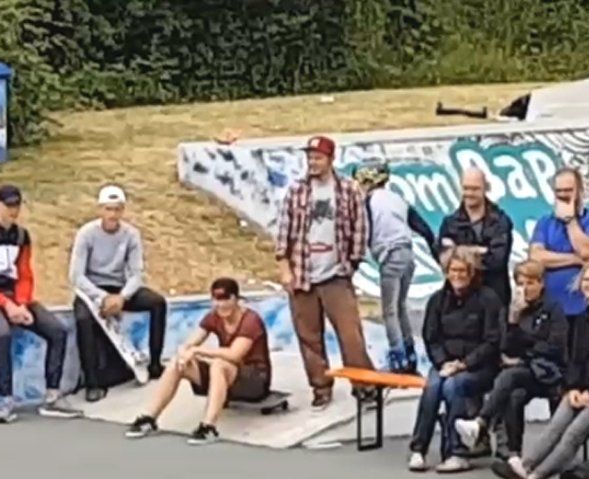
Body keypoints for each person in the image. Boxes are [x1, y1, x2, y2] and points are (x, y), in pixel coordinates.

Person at [491, 262, 589, 479]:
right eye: (586, 280)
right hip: (583, 389)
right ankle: (524, 467)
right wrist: (574, 388)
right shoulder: (581, 319)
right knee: (555, 427)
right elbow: (574, 360)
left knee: (574, 432)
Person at [274, 136, 373, 410]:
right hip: (303, 273)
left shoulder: (348, 189)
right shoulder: (297, 191)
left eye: (318, 158)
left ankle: (363, 385)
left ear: (330, 159)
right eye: (310, 158)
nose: (313, 163)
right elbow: (283, 231)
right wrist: (285, 269)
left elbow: (359, 228)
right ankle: (321, 387)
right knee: (309, 335)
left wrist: (352, 263)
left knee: (350, 334)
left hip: (336, 274)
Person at [0, 184, 75, 421]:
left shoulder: (22, 236)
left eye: (17, 205)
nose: (13, 211)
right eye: (8, 205)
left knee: (57, 330)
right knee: (2, 334)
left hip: (14, 295)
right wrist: (6, 304)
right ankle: (5, 399)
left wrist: (21, 303)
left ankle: (53, 395)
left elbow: (25, 274)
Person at [126, 278, 273, 445]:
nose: (220, 305)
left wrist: (197, 351)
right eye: (216, 300)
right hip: (227, 375)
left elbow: (234, 355)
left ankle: (208, 427)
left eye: (225, 299)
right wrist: (184, 353)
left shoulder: (250, 321)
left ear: (236, 299)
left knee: (219, 364)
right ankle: (149, 417)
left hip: (253, 379)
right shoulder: (213, 317)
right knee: (177, 363)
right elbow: (190, 342)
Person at [454, 260, 568, 459]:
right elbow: (505, 346)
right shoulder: (510, 311)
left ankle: (481, 422)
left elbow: (554, 346)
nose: (525, 289)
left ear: (541, 284)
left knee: (510, 374)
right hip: (522, 372)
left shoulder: (553, 309)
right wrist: (514, 322)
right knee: (513, 394)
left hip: (548, 370)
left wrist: (524, 355)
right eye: (521, 284)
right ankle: (512, 453)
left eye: (530, 283)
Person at [407, 248, 502, 473]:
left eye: (462, 271)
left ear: (471, 272)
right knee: (432, 387)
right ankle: (418, 449)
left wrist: (464, 364)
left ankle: (456, 451)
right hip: (446, 363)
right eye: (452, 270)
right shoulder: (437, 300)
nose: (457, 275)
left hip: (479, 366)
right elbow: (431, 338)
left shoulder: (488, 299)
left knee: (453, 386)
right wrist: (443, 363)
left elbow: (493, 341)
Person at [70, 184, 167, 398]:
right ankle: (93, 383)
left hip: (119, 289)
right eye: (108, 209)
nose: (112, 215)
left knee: (157, 303)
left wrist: (122, 297)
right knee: (83, 319)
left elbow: (136, 273)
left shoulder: (131, 234)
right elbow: (76, 276)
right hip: (91, 291)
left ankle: (155, 364)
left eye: (117, 209)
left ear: (123, 210)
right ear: (100, 210)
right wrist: (102, 297)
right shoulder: (86, 234)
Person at [357, 160, 435, 373]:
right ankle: (410, 354)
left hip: (390, 255)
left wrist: (355, 257)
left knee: (389, 310)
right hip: (408, 255)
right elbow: (424, 229)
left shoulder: (369, 201)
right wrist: (436, 252)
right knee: (401, 306)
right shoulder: (398, 199)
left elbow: (364, 230)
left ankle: (398, 357)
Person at [529, 168, 589, 331]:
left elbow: (586, 251)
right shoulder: (545, 222)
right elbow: (536, 257)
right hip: (552, 308)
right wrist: (575, 259)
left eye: (568, 191)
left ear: (579, 191)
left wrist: (570, 221)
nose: (564, 196)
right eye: (559, 191)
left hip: (585, 307)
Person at [439, 166, 516, 306]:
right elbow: (444, 261)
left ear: (485, 189)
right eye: (466, 188)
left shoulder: (500, 221)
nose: (469, 193)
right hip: (460, 299)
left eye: (475, 189)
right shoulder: (450, 223)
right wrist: (479, 251)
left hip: (495, 296)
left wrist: (462, 252)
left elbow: (497, 260)